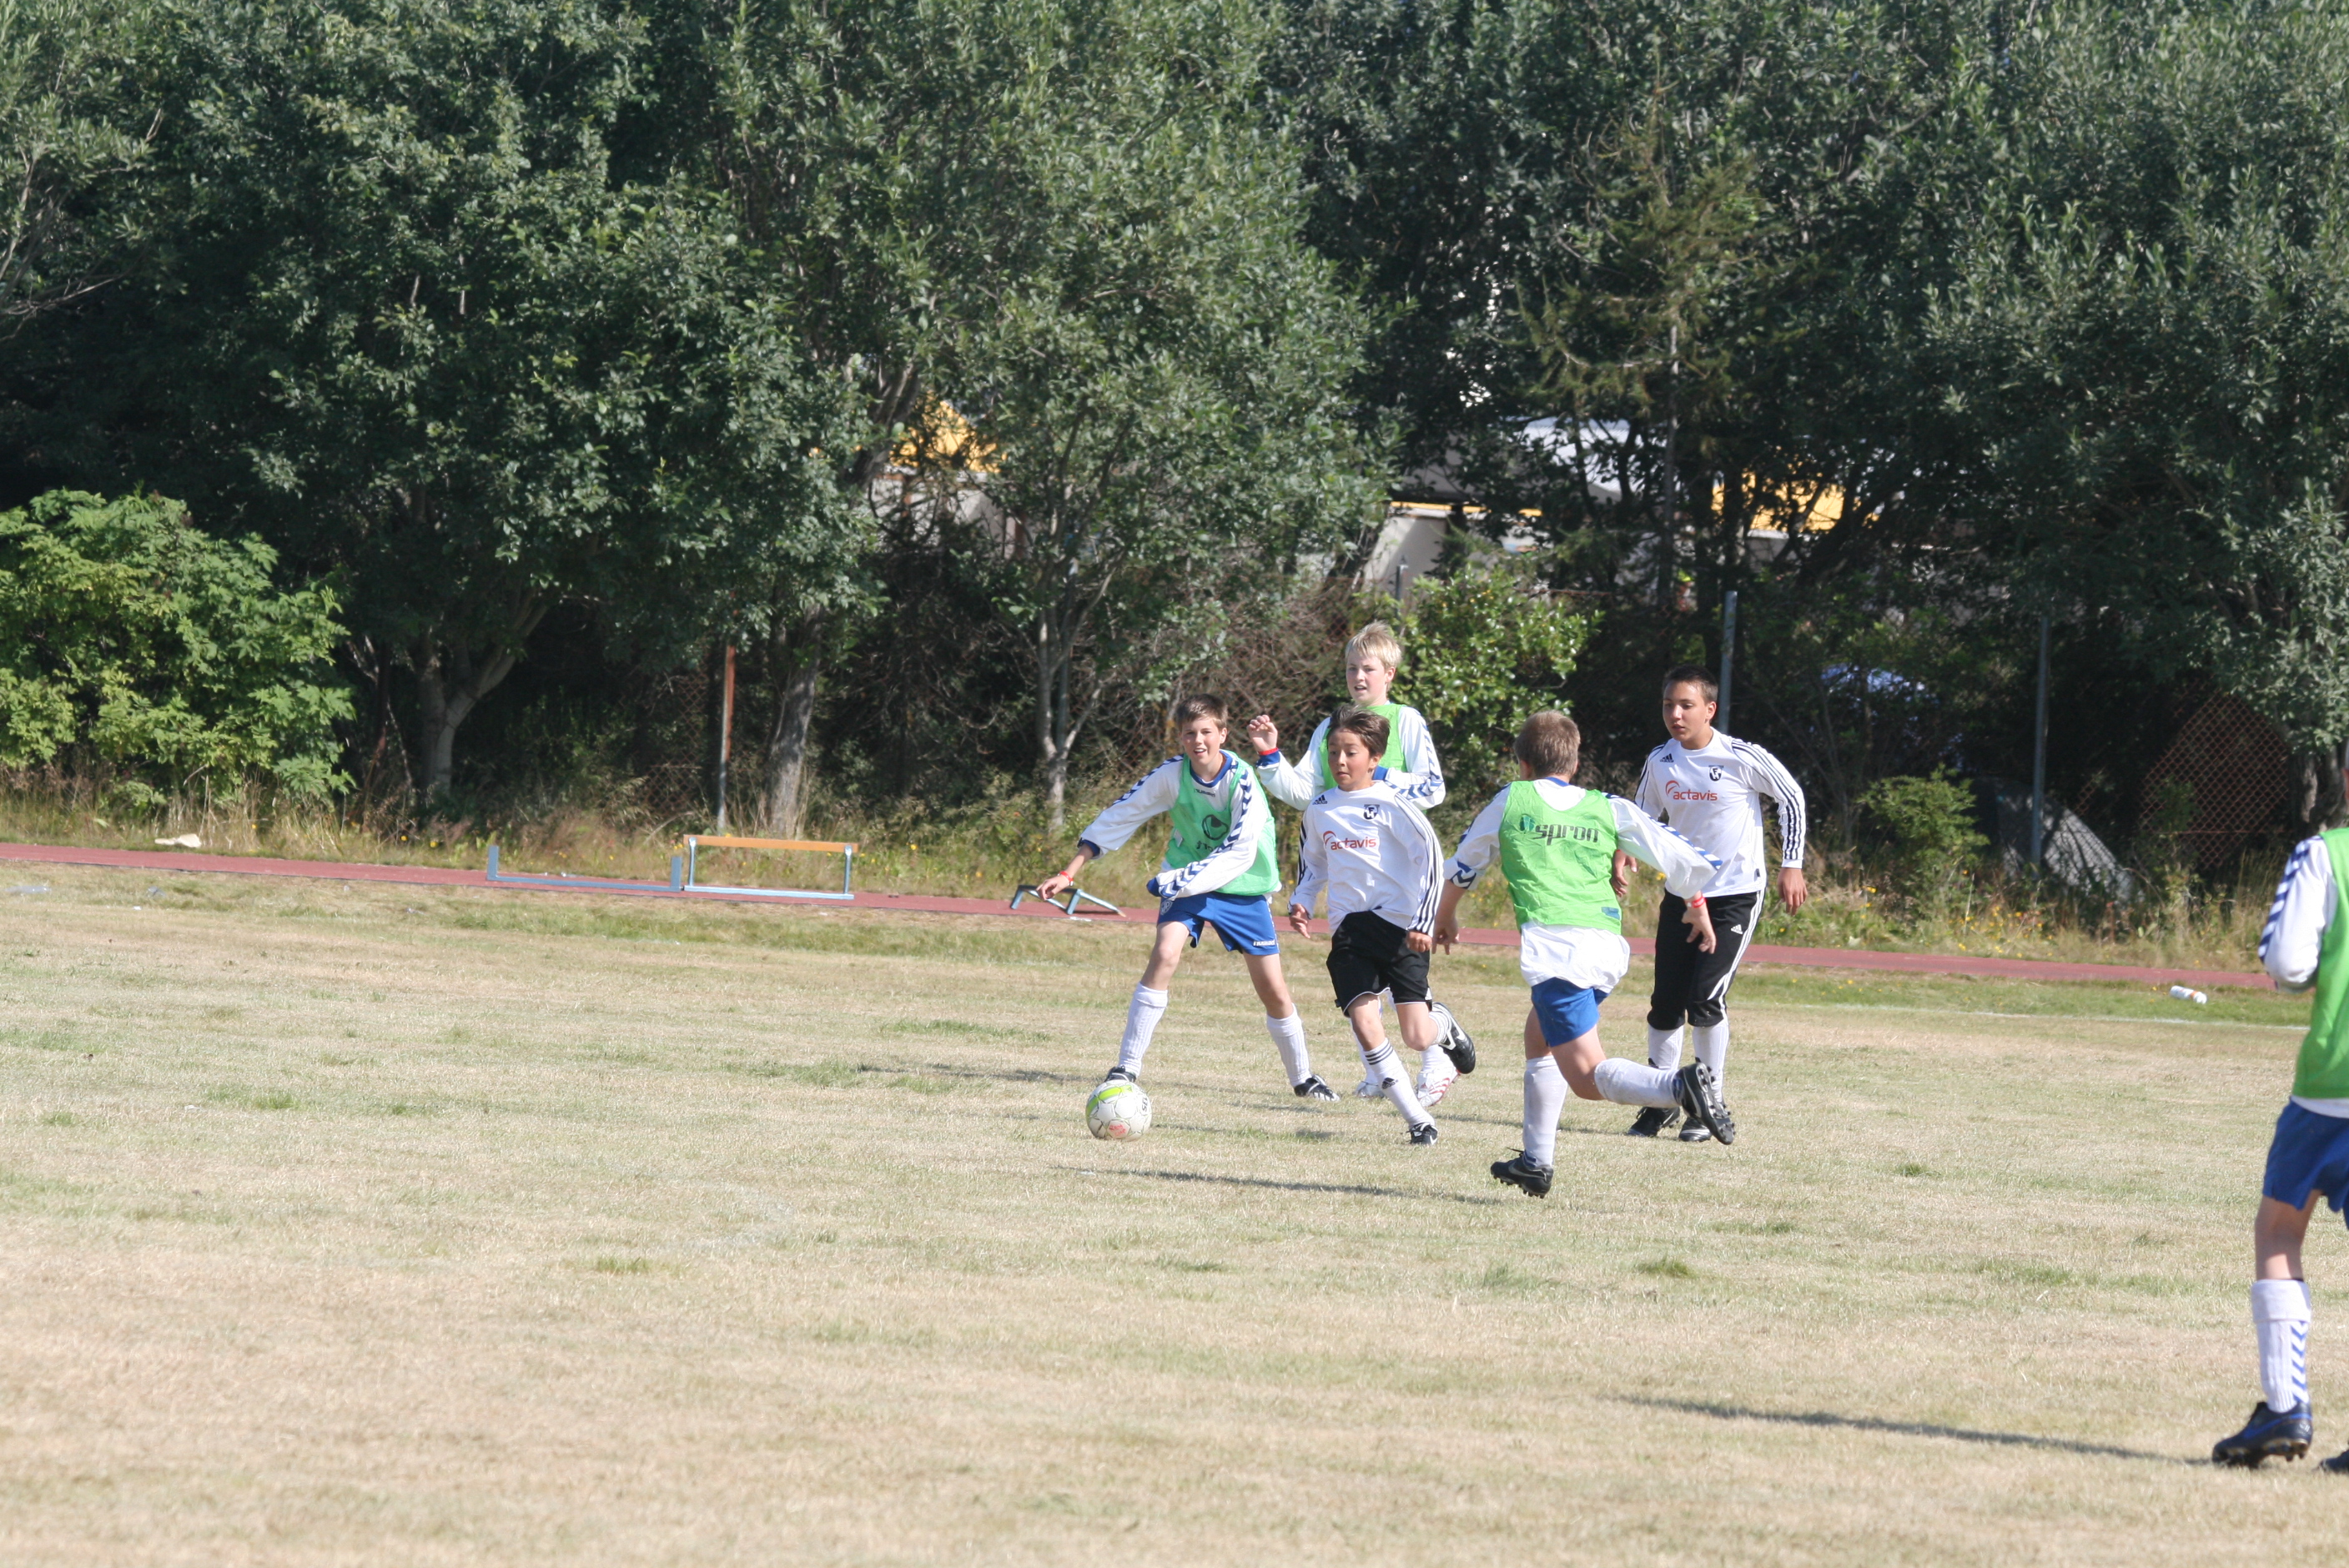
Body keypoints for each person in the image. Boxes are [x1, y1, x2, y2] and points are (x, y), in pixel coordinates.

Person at [1433, 710, 1733, 1199]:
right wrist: (1696, 906)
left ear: (1523, 764)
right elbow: (1678, 856)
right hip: (1604, 946)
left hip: (1558, 950)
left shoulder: (1513, 798)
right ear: (1574, 765)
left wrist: (1444, 916)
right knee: (1539, 1038)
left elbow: (1466, 863)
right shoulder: (1607, 806)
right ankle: (1535, 1163)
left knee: (1587, 1078)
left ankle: (1679, 1089)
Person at [1034, 694, 1336, 1103]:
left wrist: (1178, 879)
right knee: (1164, 954)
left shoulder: (1242, 780)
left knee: (1273, 989)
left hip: (1242, 884)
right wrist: (1069, 871)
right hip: (1185, 881)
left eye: (1206, 732)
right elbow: (1121, 814)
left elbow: (1240, 851)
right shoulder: (1172, 775)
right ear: (1181, 738)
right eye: (1190, 733)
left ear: (1223, 734)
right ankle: (1126, 1067)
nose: (1198, 741)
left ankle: (1304, 1078)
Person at [1249, 621, 1475, 1104]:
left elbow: (1432, 788)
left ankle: (1436, 1058)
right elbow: (1307, 793)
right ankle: (1379, 1072)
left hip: (1396, 865)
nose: (1358, 677)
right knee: (1358, 977)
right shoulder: (1331, 726)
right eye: (1351, 668)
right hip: (1350, 865)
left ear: (1389, 673)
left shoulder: (1406, 720)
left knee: (1402, 978)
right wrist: (1270, 757)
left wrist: (1376, 776)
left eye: (1368, 669)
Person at [2212, 741, 2349, 1470]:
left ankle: (2286, 1405)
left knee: (2279, 1230)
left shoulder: (2327, 854)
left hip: (2332, 1088)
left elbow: (2288, 962)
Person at [1619, 664, 1809, 1143]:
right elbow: (1642, 816)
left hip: (1735, 896)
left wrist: (1792, 863)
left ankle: (1709, 1103)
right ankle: (1661, 1100)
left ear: (1710, 709)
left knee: (1704, 999)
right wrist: (1625, 850)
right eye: (1669, 705)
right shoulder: (1661, 760)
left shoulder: (1741, 756)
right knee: (1665, 1003)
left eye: (1686, 705)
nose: (1676, 714)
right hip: (1683, 895)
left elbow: (1791, 797)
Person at [1287, 707, 1450, 1145]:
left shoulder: (1394, 804)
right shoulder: (1319, 809)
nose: (1339, 761)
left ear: (1374, 758)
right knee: (1364, 1022)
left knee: (1417, 1036)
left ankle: (1445, 1028)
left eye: (1350, 752)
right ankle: (1419, 1121)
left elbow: (1432, 859)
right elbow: (1313, 864)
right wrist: (1302, 900)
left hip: (1400, 930)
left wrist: (1424, 920)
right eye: (1333, 752)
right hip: (1350, 932)